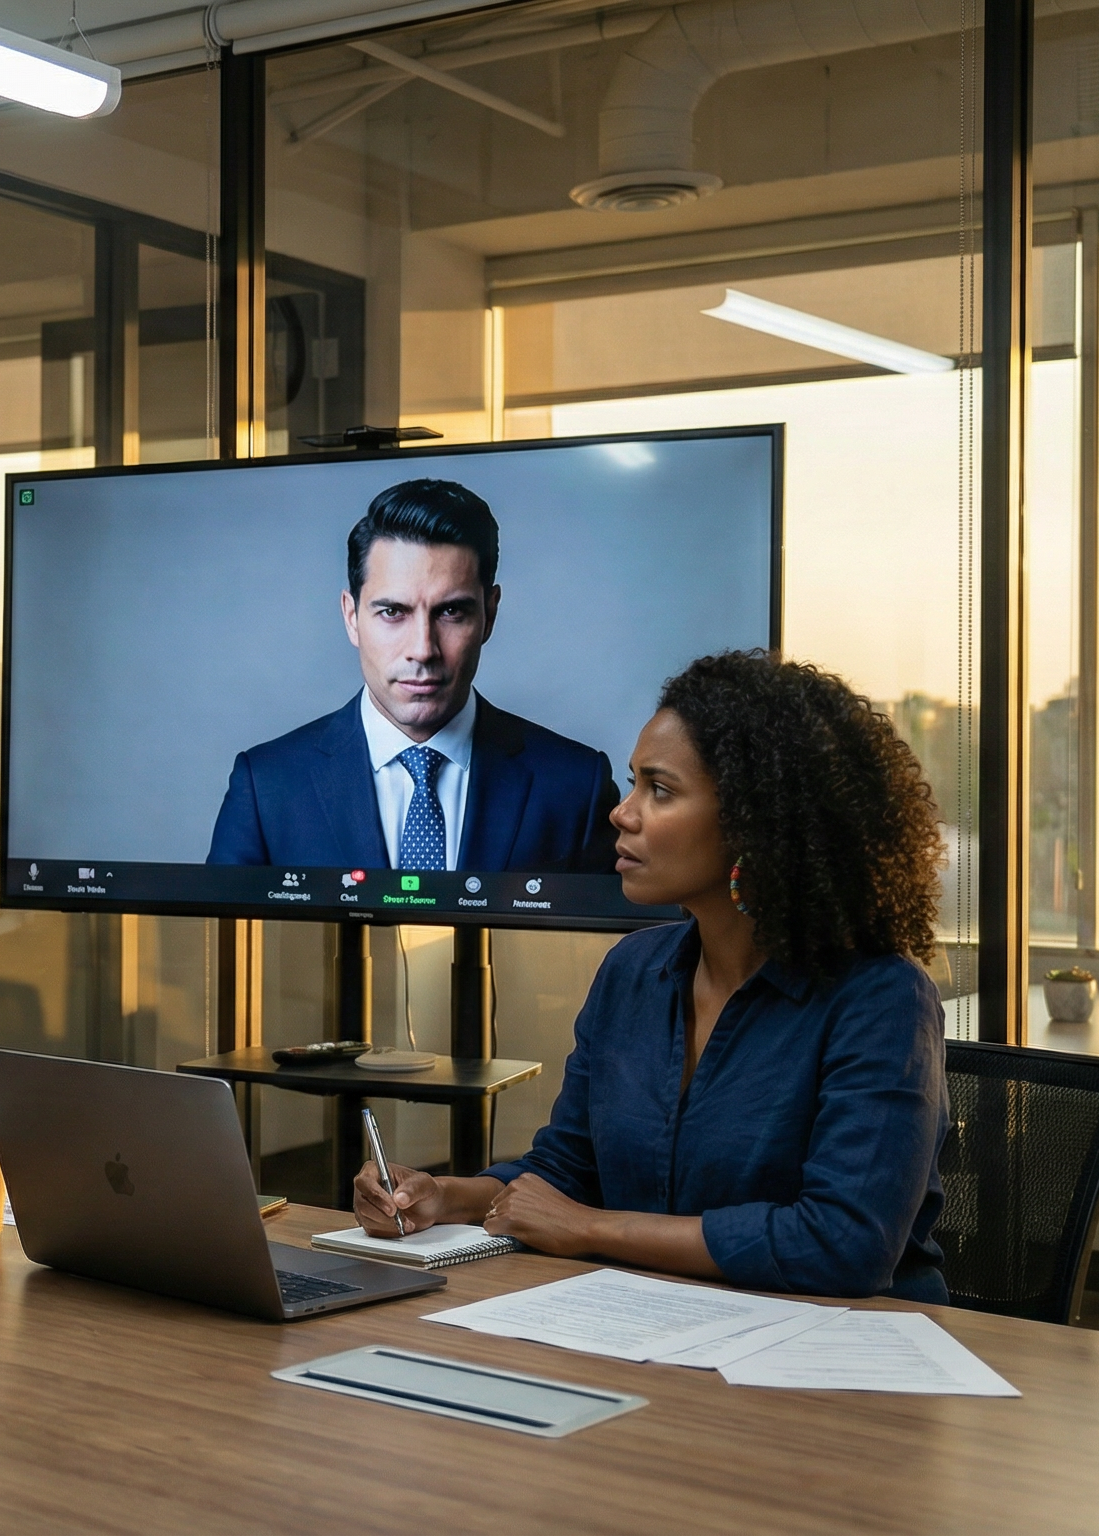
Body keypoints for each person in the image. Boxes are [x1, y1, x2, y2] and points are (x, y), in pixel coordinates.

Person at [356, 651, 951, 1300]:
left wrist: (591, 1229)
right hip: (656, 1320)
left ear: (756, 823)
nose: (623, 813)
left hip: (841, 1346)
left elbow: (843, 1243)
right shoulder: (632, 971)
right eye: (632, 783)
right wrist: (442, 1196)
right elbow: (568, 1169)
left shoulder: (881, 997)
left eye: (659, 790)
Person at [204, 478, 619, 874]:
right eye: (393, 612)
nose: (423, 649)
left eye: (451, 612)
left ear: (489, 614)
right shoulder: (267, 785)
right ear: (351, 617)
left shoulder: (575, 786)